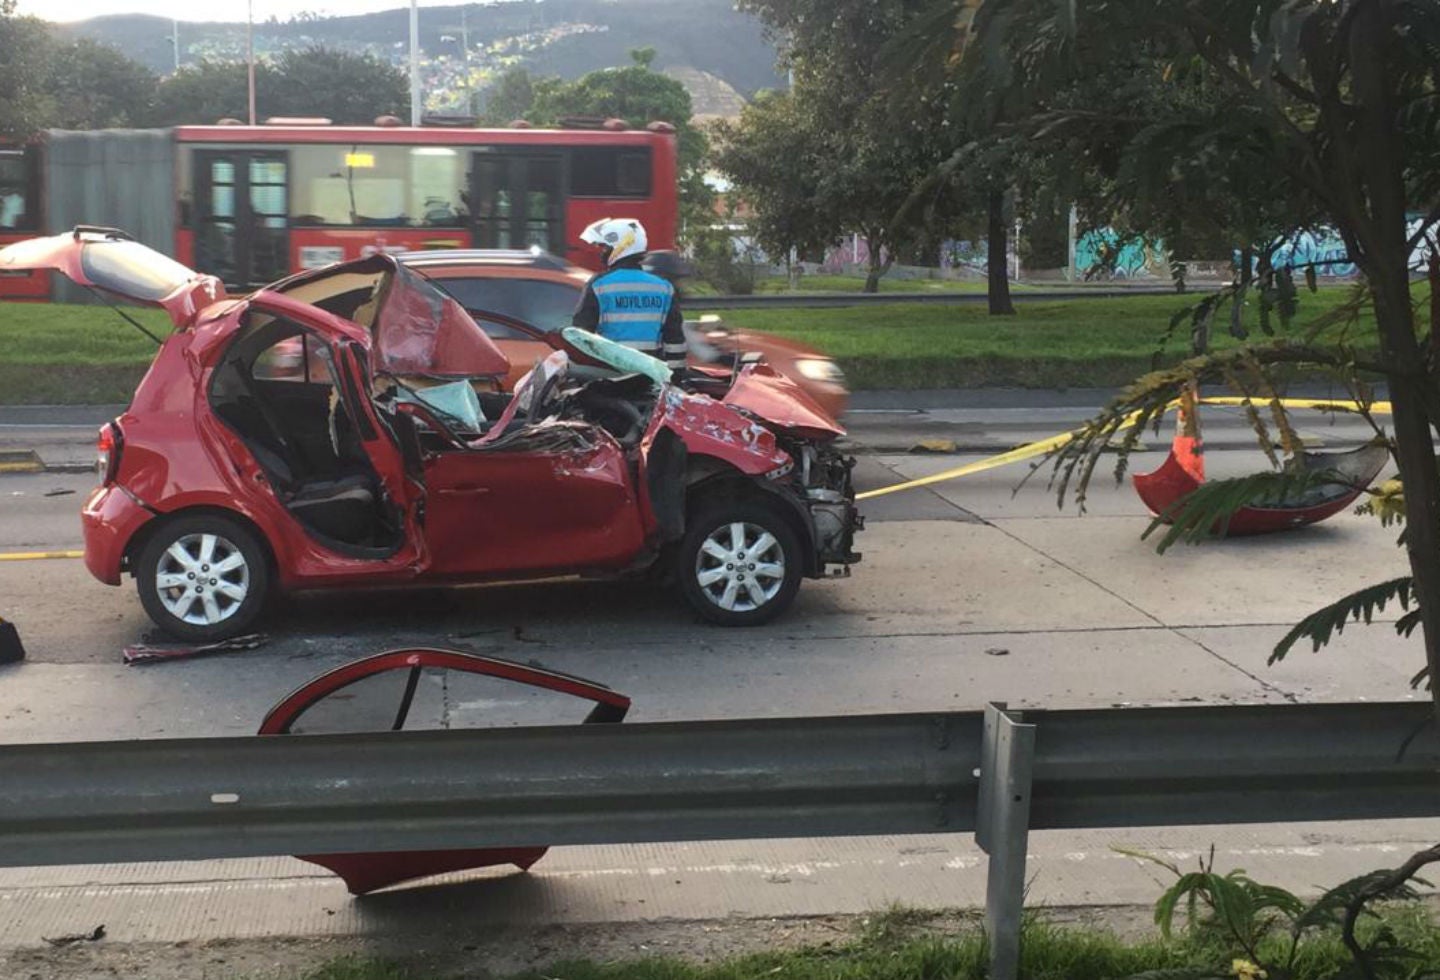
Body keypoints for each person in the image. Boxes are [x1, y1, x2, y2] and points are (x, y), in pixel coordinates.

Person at [572, 217, 687, 370]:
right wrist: (675, 377)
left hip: (609, 378)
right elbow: (675, 340)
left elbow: (581, 334)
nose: (602, 254)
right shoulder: (664, 288)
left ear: (621, 246)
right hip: (650, 379)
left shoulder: (599, 285)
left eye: (606, 248)